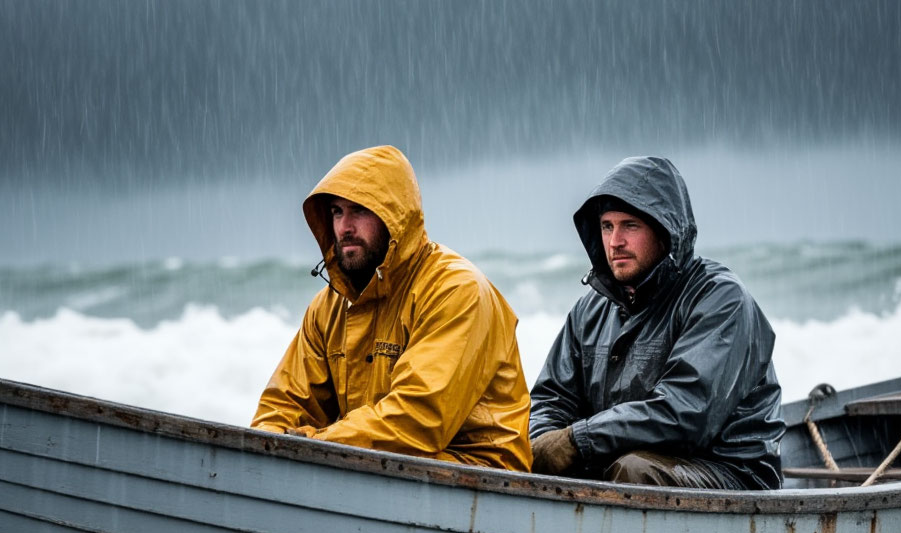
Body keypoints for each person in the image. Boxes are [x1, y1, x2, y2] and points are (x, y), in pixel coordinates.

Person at [253, 145, 532, 471]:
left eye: (359, 210)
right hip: (381, 469)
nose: (344, 227)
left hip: (480, 475)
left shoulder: (456, 291)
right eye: (337, 212)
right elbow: (283, 403)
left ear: (395, 216)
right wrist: (266, 448)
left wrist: (314, 445)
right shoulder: (328, 307)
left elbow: (419, 419)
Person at [529, 156, 784, 489]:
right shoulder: (589, 310)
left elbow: (686, 414)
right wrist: (543, 444)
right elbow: (551, 398)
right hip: (620, 462)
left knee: (635, 471)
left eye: (629, 226)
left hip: (730, 472)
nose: (614, 241)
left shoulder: (720, 299)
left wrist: (579, 440)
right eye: (607, 226)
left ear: (665, 231)